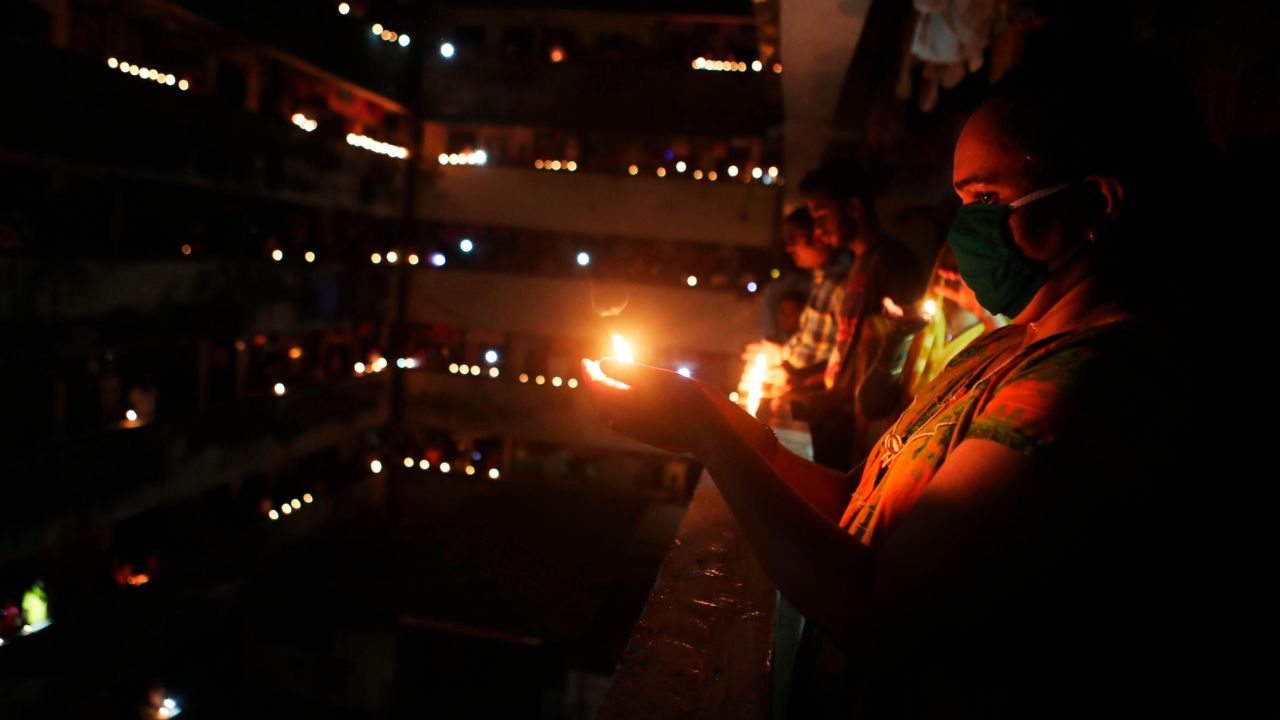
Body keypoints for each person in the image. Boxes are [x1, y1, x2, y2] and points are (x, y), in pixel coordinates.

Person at [584, 62, 1186, 716]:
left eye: (985, 199)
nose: (962, 235)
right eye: (959, 203)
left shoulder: (1086, 387)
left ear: (1098, 202)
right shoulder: (1004, 346)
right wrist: (730, 429)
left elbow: (877, 606)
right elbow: (856, 500)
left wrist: (707, 435)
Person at [797, 166, 924, 469]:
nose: (818, 231)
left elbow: (905, 348)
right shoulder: (859, 264)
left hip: (865, 433)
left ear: (853, 208)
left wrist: (839, 398)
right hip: (838, 420)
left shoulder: (893, 261)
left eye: (822, 217)